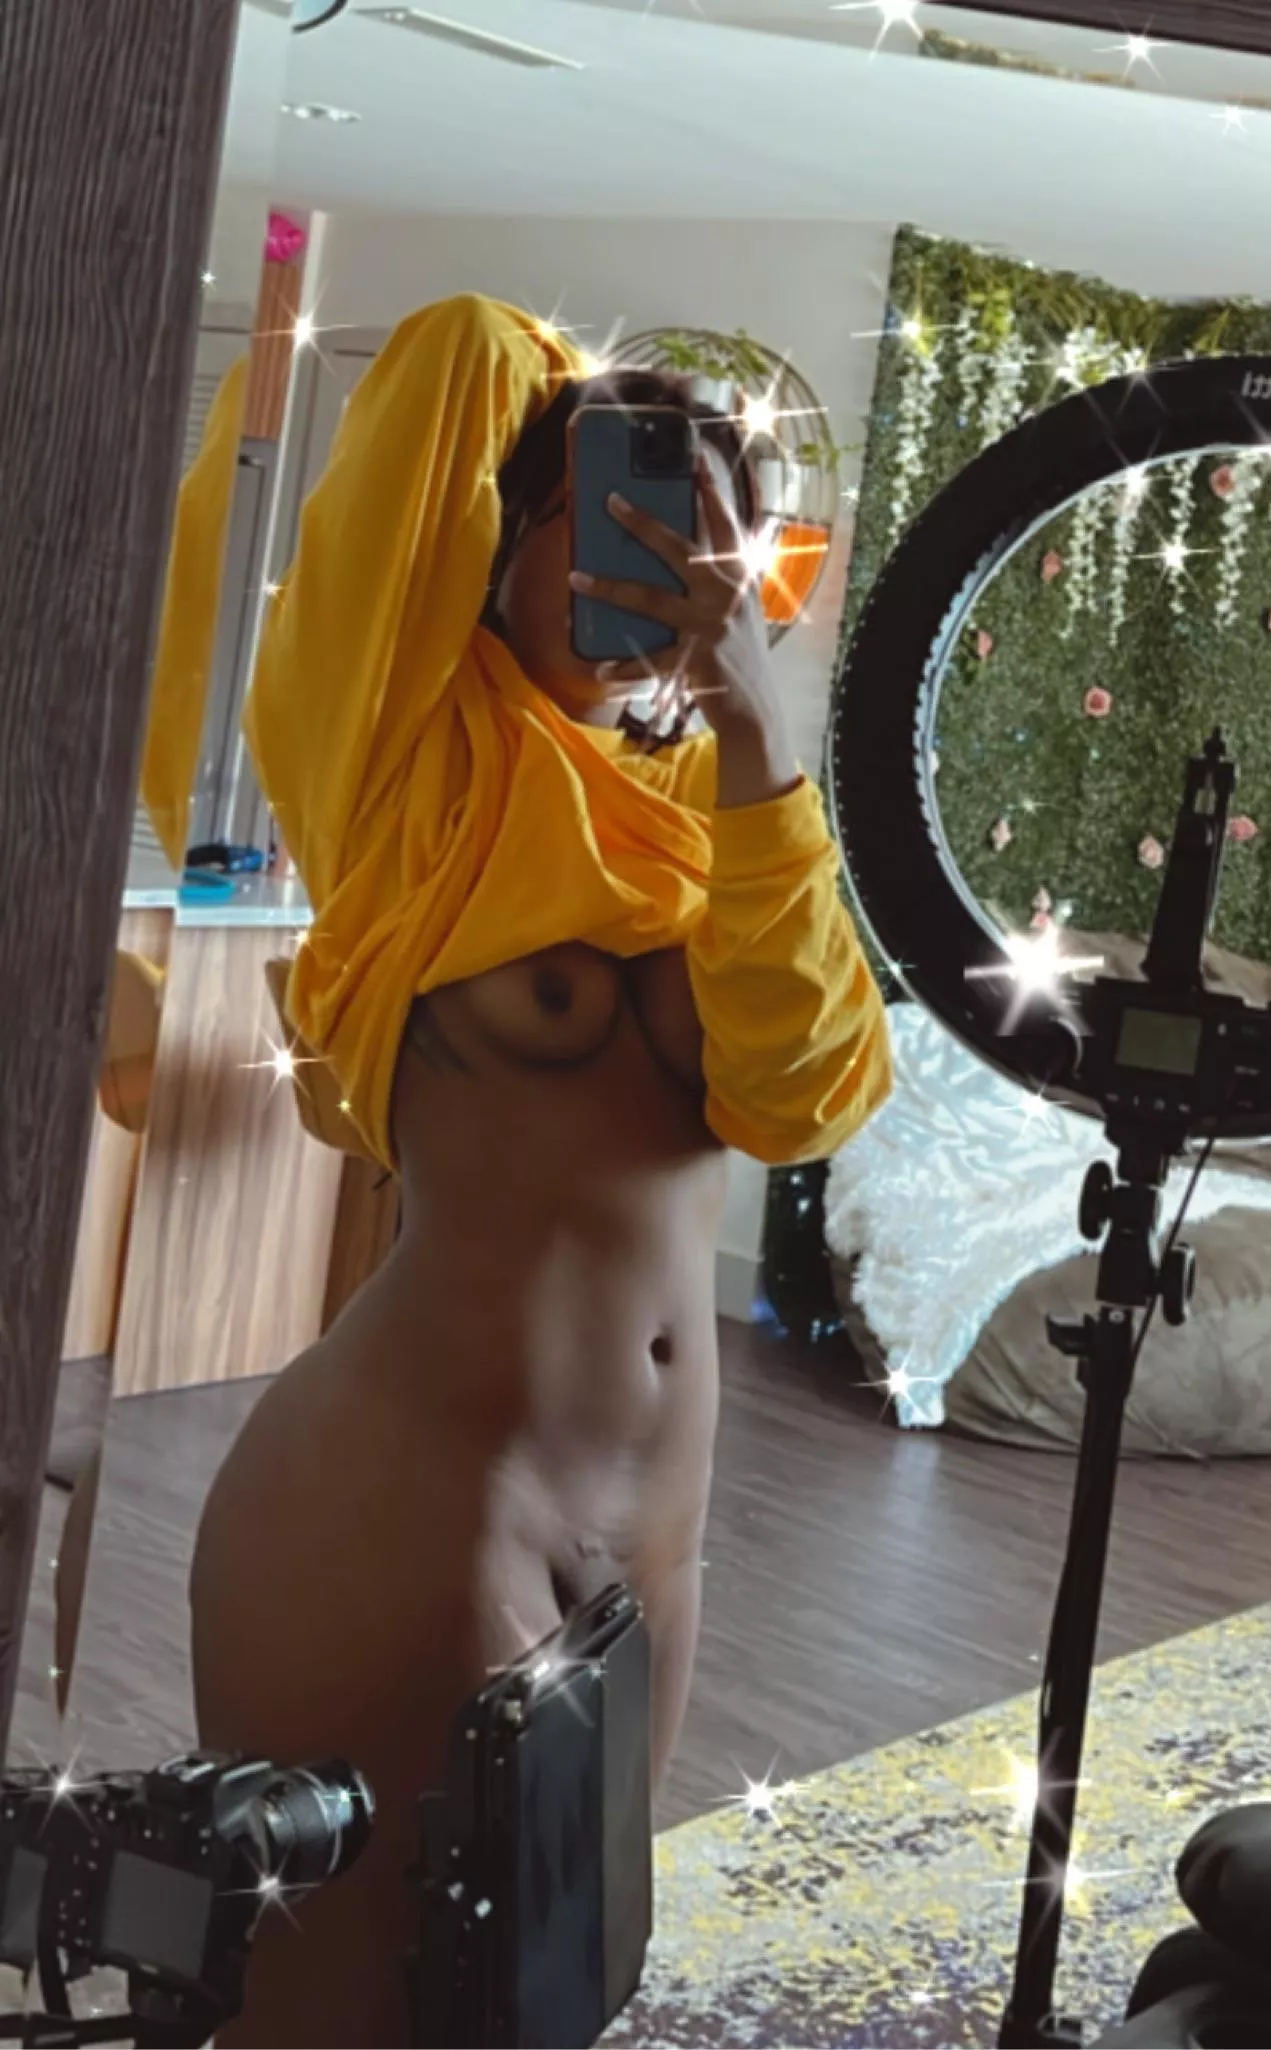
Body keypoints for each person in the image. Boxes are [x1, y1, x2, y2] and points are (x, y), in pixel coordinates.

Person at [187, 295, 890, 2045]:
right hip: (422, 1500)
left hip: (655, 1539)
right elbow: (448, 362)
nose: (669, 559)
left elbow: (803, 1094)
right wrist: (590, 399)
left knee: (550, 2012)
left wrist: (761, 732)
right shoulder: (420, 771)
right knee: (349, 2017)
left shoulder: (721, 809)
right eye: (623, 517)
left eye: (707, 532)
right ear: (499, 535)